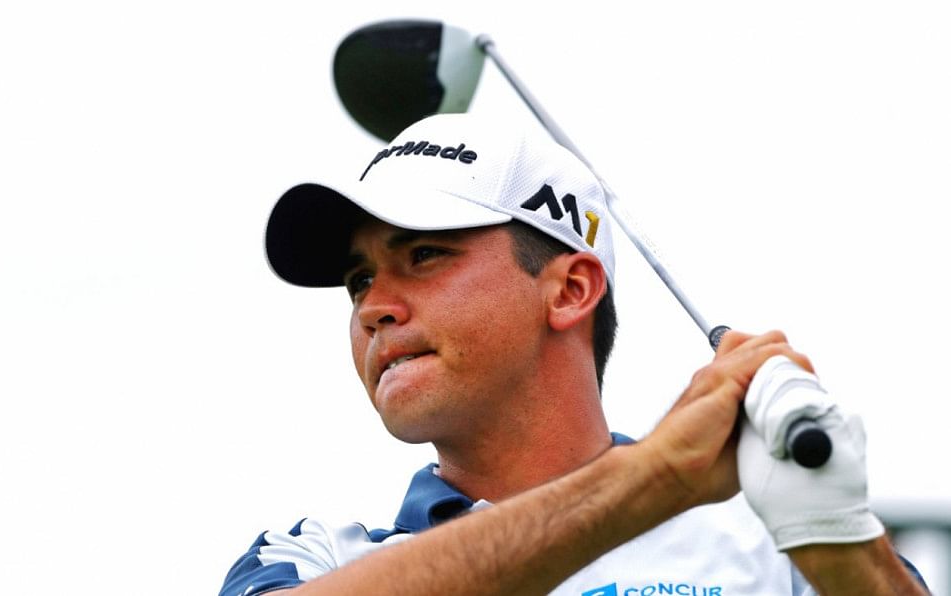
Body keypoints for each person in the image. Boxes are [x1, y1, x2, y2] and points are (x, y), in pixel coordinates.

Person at [220, 113, 928, 595]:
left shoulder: (767, 547)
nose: (373, 306)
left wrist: (841, 545)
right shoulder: (317, 557)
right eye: (358, 280)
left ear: (569, 290)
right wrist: (653, 477)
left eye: (424, 255)